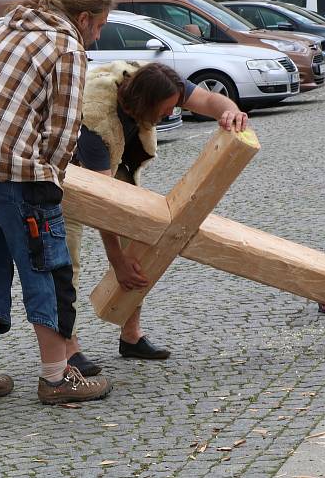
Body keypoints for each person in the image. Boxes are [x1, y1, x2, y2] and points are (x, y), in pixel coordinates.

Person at [0, 0, 113, 406]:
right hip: (15, 171)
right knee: (47, 269)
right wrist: (51, 181)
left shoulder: (7, 28)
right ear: (85, 17)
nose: (99, 35)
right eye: (101, 24)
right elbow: (62, 129)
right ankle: (56, 378)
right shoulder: (67, 47)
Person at [64, 61, 248, 376]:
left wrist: (231, 111)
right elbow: (104, 202)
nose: (170, 115)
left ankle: (131, 335)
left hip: (114, 163)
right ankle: (67, 348)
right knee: (65, 261)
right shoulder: (96, 122)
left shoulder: (158, 82)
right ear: (144, 104)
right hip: (64, 173)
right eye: (164, 111)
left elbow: (207, 100)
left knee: (140, 241)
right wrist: (117, 260)